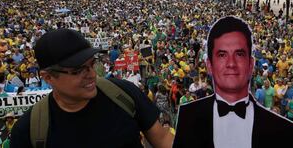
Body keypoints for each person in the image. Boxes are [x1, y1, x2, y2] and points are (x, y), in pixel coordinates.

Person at [10, 29, 173, 148]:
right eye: (77, 70)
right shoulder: (30, 131)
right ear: (48, 77)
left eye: (91, 65)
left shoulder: (124, 94)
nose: (92, 74)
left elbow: (162, 138)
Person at [174, 16, 293, 148]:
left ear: (251, 64)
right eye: (222, 55)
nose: (231, 63)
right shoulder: (187, 117)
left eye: (239, 54)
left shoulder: (290, 135)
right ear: (209, 65)